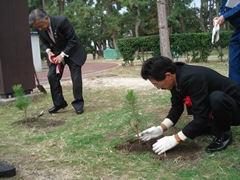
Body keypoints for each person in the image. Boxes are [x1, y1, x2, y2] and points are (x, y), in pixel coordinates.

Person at [138, 56, 240, 155]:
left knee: (216, 98)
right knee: (205, 107)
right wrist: (161, 128)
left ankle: (224, 134)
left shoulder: (193, 78)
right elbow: (177, 107)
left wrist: (176, 139)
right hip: (223, 108)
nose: (158, 88)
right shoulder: (175, 76)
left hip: (236, 107)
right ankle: (210, 126)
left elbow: (201, 117)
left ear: (168, 75)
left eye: (157, 84)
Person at [29, 9, 87, 115]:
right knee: (52, 75)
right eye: (37, 27)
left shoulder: (62, 21)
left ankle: (78, 103)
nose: (40, 28)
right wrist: (48, 51)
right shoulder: (39, 27)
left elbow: (72, 40)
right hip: (56, 53)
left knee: (76, 77)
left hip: (73, 51)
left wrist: (62, 55)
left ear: (46, 18)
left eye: (40, 25)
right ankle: (59, 103)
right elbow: (45, 42)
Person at [213, 1, 240, 83]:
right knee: (234, 65)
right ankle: (235, 92)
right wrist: (220, 18)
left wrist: (225, 16)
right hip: (238, 31)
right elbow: (224, 8)